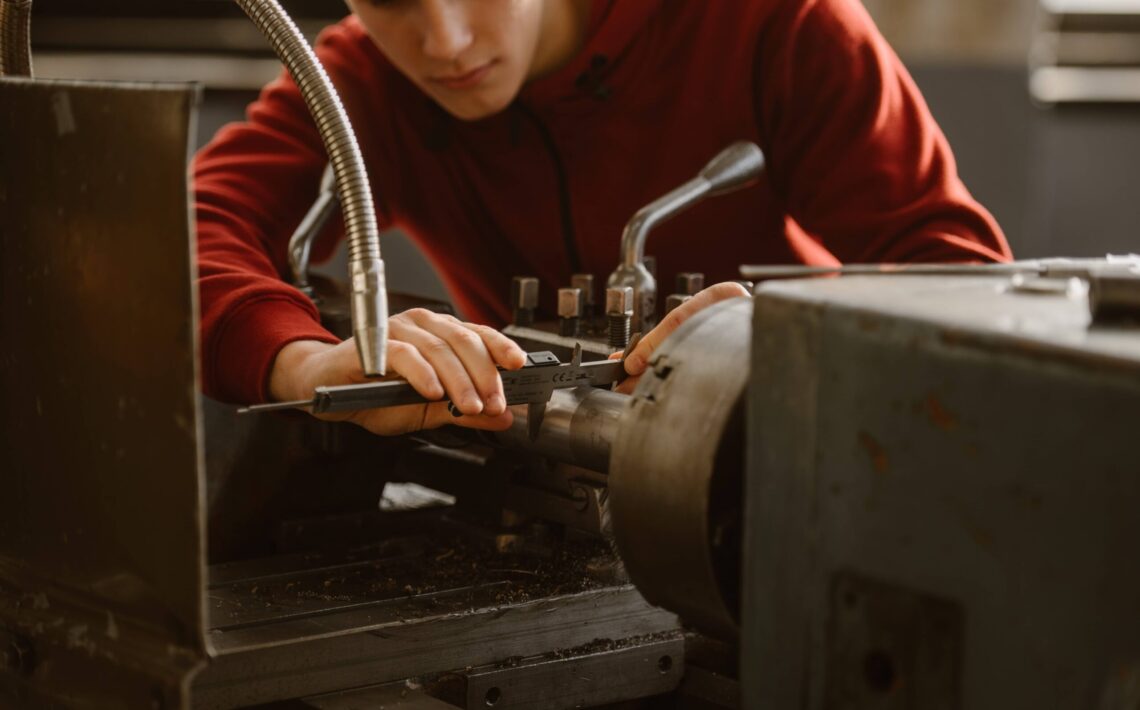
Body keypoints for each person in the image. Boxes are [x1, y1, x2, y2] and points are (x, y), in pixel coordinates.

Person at [194, 0, 1011, 436]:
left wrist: (803, 338)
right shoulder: (361, 83)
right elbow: (176, 235)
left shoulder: (777, 19)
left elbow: (967, 276)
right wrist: (305, 369)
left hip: (800, 460)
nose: (444, 40)